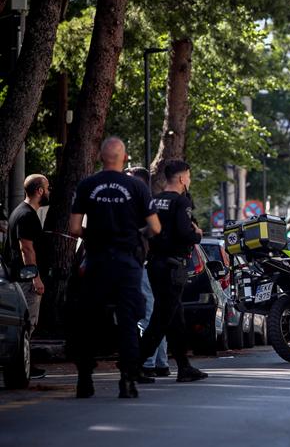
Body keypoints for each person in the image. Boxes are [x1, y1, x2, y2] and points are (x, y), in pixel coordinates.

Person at [68, 137, 161, 398]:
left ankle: (85, 380)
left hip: (96, 260)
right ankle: (127, 381)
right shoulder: (137, 187)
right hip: (128, 262)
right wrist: (136, 234)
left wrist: (95, 235)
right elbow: (155, 227)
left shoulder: (87, 185)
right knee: (129, 320)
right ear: (125, 157)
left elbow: (74, 228)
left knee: (87, 320)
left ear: (100, 157)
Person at [138, 159, 208, 383]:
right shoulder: (180, 202)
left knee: (175, 318)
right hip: (172, 266)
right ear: (181, 178)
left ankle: (184, 366)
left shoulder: (155, 200)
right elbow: (185, 233)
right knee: (161, 319)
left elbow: (146, 230)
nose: (189, 180)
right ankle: (133, 362)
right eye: (188, 176)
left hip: (156, 264)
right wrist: (197, 233)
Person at [2, 174, 51, 380]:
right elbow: (26, 248)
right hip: (25, 279)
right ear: (39, 191)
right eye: (47, 187)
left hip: (22, 277)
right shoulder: (26, 215)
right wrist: (35, 277)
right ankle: (23, 365)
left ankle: (27, 363)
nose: (49, 191)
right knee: (27, 324)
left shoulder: (22, 213)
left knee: (27, 325)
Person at [126, 166, 171, 379]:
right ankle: (160, 362)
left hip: (144, 266)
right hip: (155, 265)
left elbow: (154, 232)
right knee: (155, 315)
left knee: (146, 316)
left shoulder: (143, 205)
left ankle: (149, 362)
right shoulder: (152, 204)